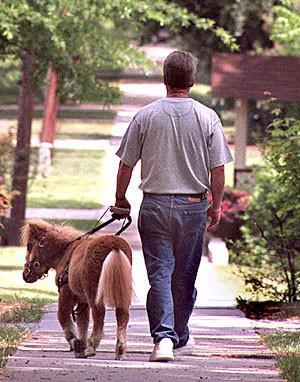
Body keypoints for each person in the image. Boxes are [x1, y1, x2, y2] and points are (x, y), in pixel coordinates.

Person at [114, 50, 233, 362]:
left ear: (165, 79)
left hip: (153, 206)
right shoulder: (208, 117)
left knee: (160, 273)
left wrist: (120, 198)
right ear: (192, 81)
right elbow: (218, 169)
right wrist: (216, 205)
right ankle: (172, 336)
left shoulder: (145, 116)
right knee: (183, 277)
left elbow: (126, 164)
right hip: (193, 208)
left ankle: (169, 338)